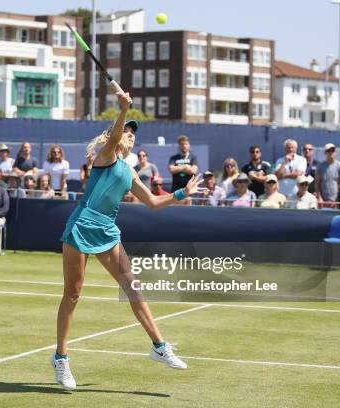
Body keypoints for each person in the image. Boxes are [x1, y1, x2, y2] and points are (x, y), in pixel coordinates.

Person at [54, 89, 203, 391]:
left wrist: (180, 194)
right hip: (82, 226)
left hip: (108, 230)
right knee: (73, 293)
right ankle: (61, 358)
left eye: (134, 134)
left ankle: (159, 346)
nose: (131, 136)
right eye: (127, 132)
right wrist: (124, 109)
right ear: (115, 134)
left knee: (134, 288)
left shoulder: (129, 171)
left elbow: (152, 202)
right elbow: (114, 137)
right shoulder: (106, 155)